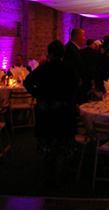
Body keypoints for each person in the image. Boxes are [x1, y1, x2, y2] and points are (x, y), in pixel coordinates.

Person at [23, 40, 80, 186]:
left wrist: (39, 97)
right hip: (63, 112)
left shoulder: (44, 69)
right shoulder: (70, 68)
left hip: (46, 111)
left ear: (51, 53)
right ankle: (59, 178)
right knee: (61, 145)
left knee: (48, 145)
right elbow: (74, 88)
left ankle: (48, 177)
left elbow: (27, 82)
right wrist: (64, 101)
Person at [63, 28, 93, 104]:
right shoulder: (71, 50)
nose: (84, 38)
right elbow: (77, 68)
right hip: (74, 87)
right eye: (83, 36)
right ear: (78, 36)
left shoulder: (74, 49)